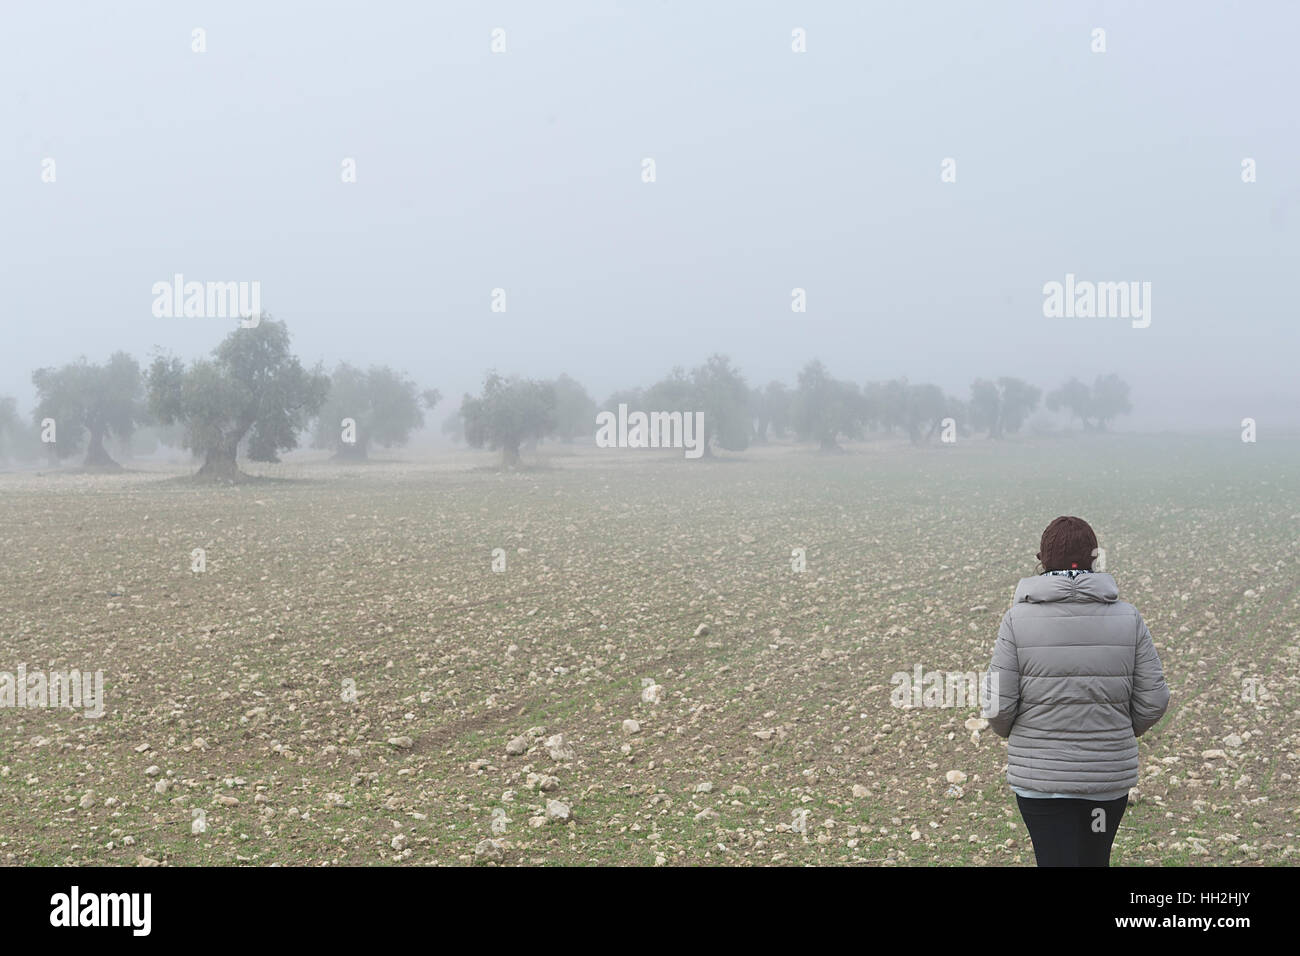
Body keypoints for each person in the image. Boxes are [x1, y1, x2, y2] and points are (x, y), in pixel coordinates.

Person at [984, 516, 1170, 866]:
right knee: (1093, 859)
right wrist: (1114, 733)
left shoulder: (1016, 620)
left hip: (1041, 785)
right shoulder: (1128, 618)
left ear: (1041, 560)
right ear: (1094, 560)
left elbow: (996, 705)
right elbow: (1155, 699)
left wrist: (1017, 734)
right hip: (1106, 786)